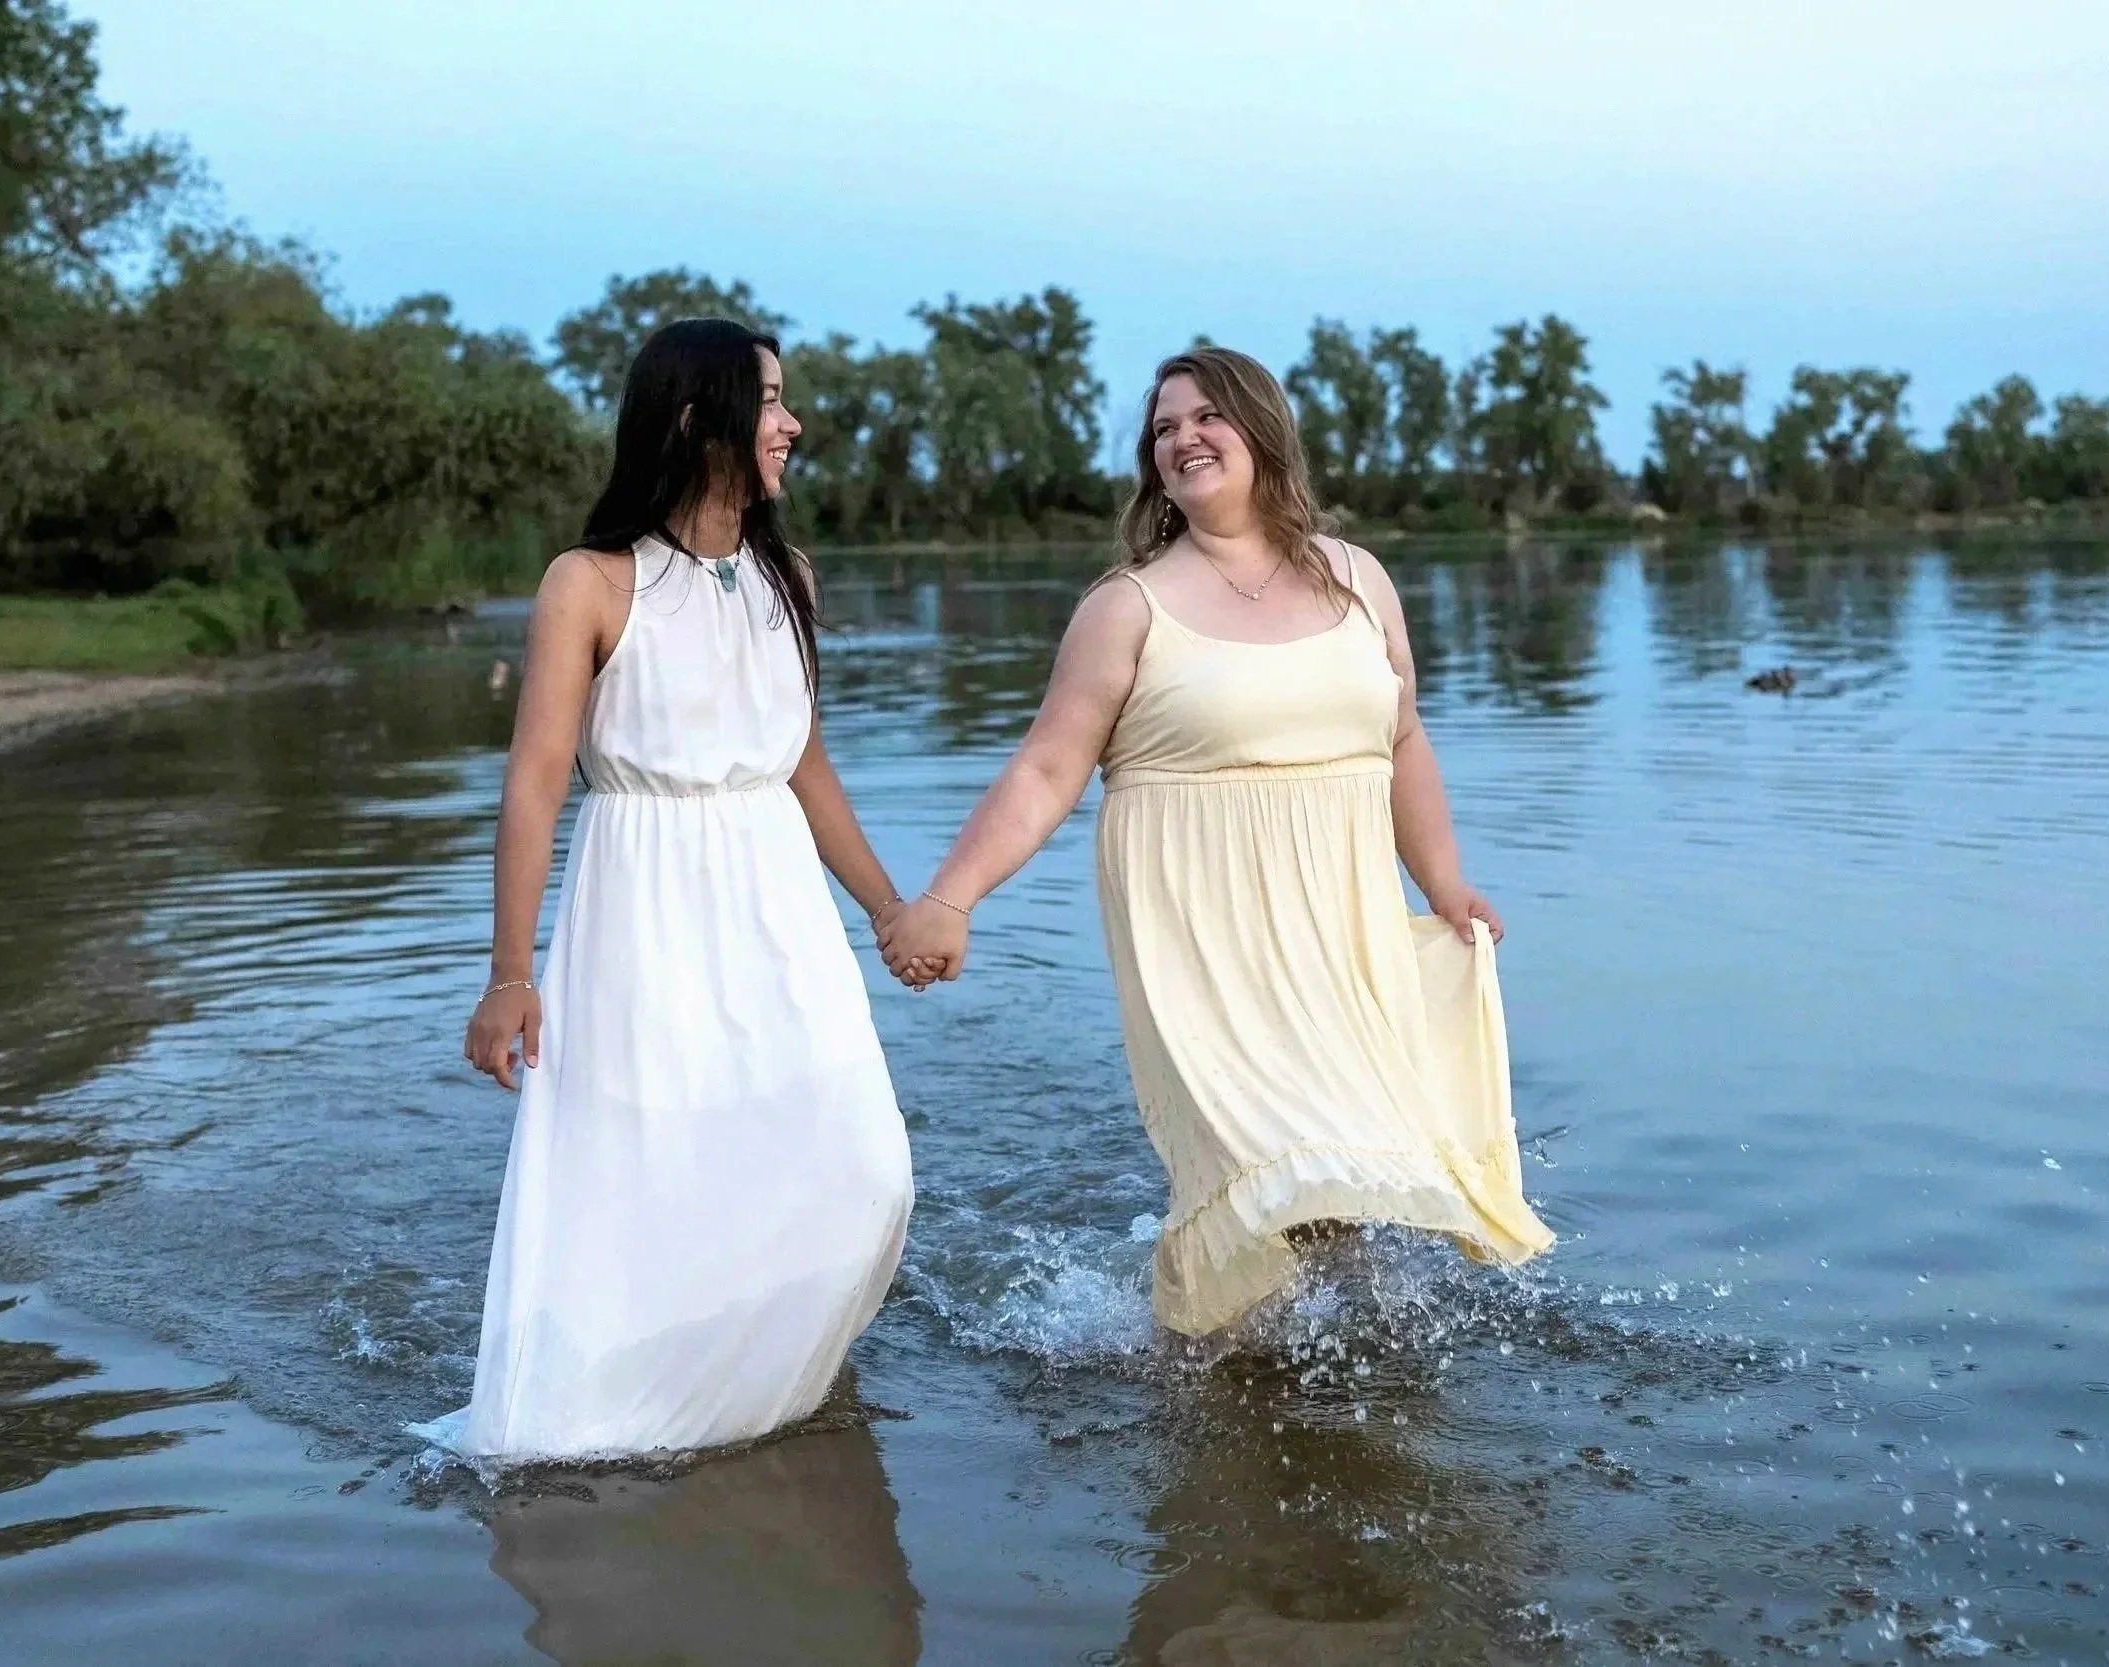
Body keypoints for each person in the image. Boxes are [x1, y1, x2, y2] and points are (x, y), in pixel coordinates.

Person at [878, 346, 1553, 1340]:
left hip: (1339, 924)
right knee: (1274, 1160)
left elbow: (1403, 736)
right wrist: (950, 895)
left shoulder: (1360, 581)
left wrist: (1445, 881)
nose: (1183, 437)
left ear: (1262, 428)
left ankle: (1311, 1374)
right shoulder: (1127, 607)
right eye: (1163, 427)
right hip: (1206, 936)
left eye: (1206, 417)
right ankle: (1194, 1351)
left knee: (1349, 1159)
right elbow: (1045, 770)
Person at [416, 318, 915, 1463]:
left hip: (777, 899)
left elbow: (805, 761)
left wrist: (885, 905)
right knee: (655, 1163)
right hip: (644, 892)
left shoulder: (791, 574)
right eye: (771, 400)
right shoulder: (589, 581)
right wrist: (509, 973)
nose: (791, 423)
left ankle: (768, 1386)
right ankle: (628, 1414)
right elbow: (536, 785)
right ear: (698, 419)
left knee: (868, 1170)